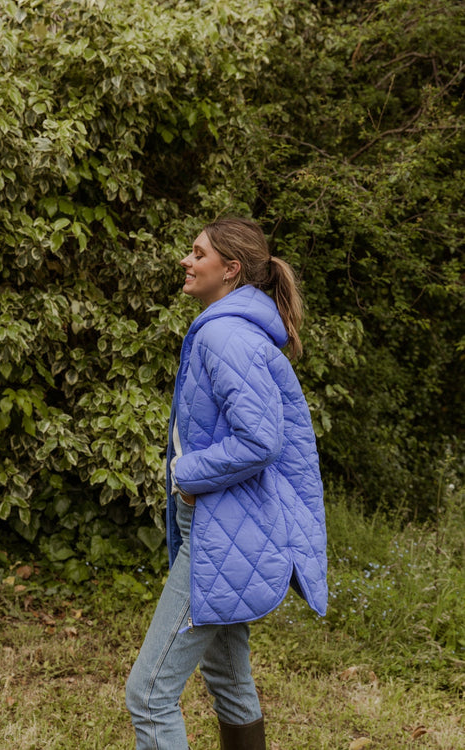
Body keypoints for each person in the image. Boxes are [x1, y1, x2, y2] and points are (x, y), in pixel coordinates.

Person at [126, 217, 328, 750]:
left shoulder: (224, 335)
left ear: (231, 269)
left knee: (148, 694)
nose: (186, 261)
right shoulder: (229, 329)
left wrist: (187, 475)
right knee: (229, 681)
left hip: (222, 528)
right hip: (229, 523)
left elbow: (260, 440)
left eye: (198, 254)